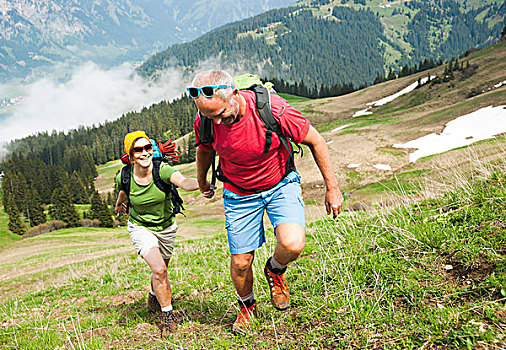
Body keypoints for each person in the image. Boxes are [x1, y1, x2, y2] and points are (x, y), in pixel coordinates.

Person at [189, 70, 343, 333]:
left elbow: (316, 141)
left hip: (280, 183)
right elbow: (204, 147)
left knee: (292, 244)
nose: (216, 121)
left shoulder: (273, 109)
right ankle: (247, 307)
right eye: (210, 116)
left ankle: (275, 269)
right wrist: (202, 180)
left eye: (221, 114)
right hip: (238, 192)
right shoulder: (206, 120)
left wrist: (333, 188)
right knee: (240, 263)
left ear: (235, 94)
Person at [115, 130, 200, 337]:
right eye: (138, 150)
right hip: (140, 227)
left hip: (166, 227)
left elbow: (183, 181)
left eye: (147, 148)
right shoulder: (124, 176)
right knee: (160, 270)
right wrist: (119, 205)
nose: (144, 153)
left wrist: (201, 183)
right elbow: (124, 192)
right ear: (130, 155)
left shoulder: (162, 170)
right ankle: (168, 315)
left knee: (161, 271)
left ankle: (153, 294)